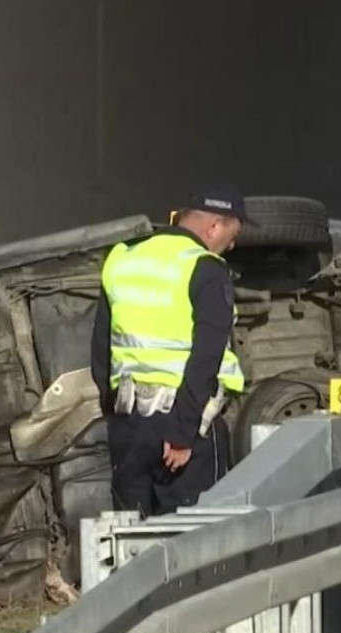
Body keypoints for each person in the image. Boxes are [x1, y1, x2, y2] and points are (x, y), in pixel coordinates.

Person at [90, 184, 250, 516]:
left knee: (129, 535)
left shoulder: (121, 258)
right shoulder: (205, 267)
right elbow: (206, 358)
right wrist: (182, 434)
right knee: (193, 540)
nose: (231, 245)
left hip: (129, 424)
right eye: (231, 236)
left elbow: (102, 349)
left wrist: (117, 416)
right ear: (214, 227)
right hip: (182, 428)